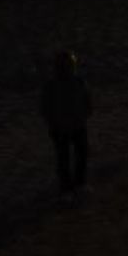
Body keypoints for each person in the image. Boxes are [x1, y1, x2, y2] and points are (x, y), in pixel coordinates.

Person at [41, 51, 91, 194]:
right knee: (64, 158)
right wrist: (52, 123)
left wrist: (86, 114)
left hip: (77, 124)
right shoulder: (51, 86)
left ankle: (79, 184)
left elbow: (87, 99)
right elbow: (45, 108)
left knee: (81, 154)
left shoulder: (78, 81)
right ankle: (66, 188)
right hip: (60, 127)